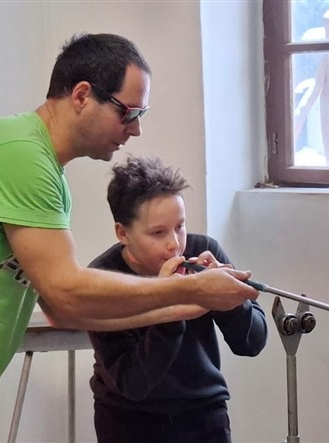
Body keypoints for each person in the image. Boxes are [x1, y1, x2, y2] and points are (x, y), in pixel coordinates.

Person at [0, 33, 258, 443]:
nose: (135, 130)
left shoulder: (46, 173)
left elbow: (60, 312)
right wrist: (191, 290)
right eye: (128, 113)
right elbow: (65, 291)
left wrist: (185, 303)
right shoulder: (19, 154)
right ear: (82, 96)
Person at [87, 155, 268, 443]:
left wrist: (231, 300)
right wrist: (172, 307)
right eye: (158, 232)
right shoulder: (102, 280)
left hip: (204, 414)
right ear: (123, 233)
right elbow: (134, 384)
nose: (174, 243)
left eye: (180, 226)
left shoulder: (203, 250)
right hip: (129, 421)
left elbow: (252, 343)